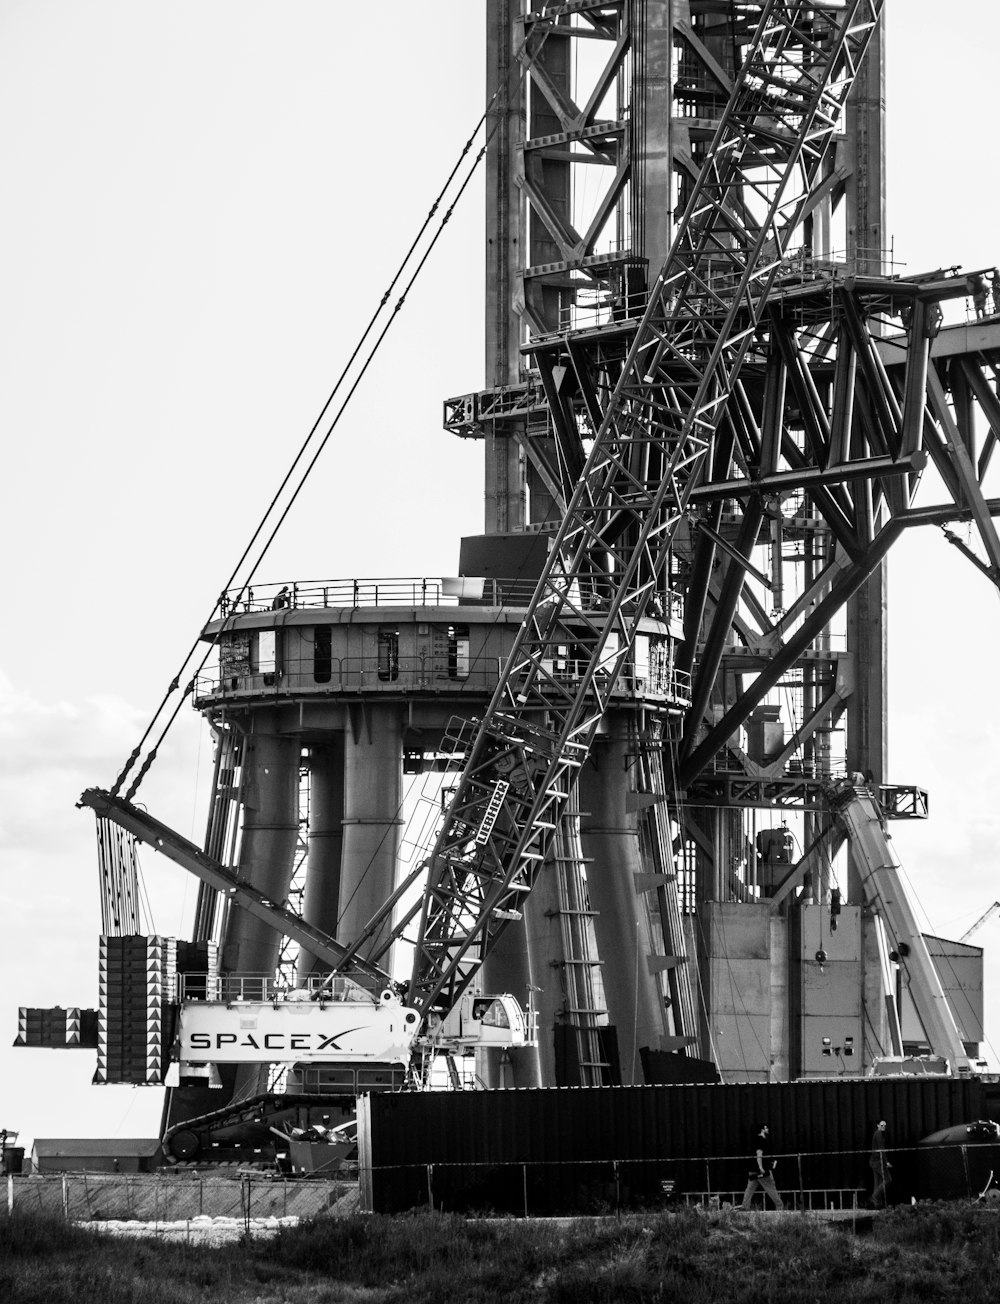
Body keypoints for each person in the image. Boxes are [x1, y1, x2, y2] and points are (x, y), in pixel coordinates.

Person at [741, 1123, 784, 1210]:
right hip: (762, 1171)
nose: (767, 1129)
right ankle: (780, 1207)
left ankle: (745, 1207)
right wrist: (761, 1167)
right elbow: (759, 1154)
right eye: (766, 1128)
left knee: (750, 1189)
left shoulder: (756, 1139)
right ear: (762, 1130)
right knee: (771, 1188)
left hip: (753, 1170)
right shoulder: (761, 1140)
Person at [869, 1118, 891, 1208]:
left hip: (874, 1161)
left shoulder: (877, 1134)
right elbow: (881, 1149)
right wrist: (887, 1162)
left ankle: (876, 1203)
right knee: (888, 1179)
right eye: (882, 1125)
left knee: (877, 1182)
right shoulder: (878, 1134)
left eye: (885, 1125)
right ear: (878, 1125)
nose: (883, 1127)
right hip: (877, 1161)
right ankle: (874, 1197)